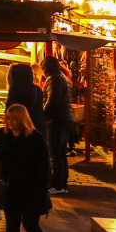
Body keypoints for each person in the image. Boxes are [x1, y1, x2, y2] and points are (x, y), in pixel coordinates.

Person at [0, 104, 51, 232]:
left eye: (14, 119)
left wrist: (40, 192)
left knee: (30, 225)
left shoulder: (36, 138)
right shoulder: (4, 135)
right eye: (8, 118)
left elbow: (44, 168)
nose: (10, 122)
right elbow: (1, 156)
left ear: (23, 119)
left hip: (31, 189)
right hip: (11, 188)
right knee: (12, 226)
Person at [42, 55, 74, 195]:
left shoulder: (54, 79)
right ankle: (63, 183)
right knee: (61, 152)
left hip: (56, 121)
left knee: (55, 152)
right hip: (65, 119)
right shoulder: (63, 78)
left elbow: (52, 102)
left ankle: (57, 184)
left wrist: (42, 115)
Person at [6, 63, 46, 135]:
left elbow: (9, 109)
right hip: (37, 127)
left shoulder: (15, 89)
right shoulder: (38, 89)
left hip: (22, 128)